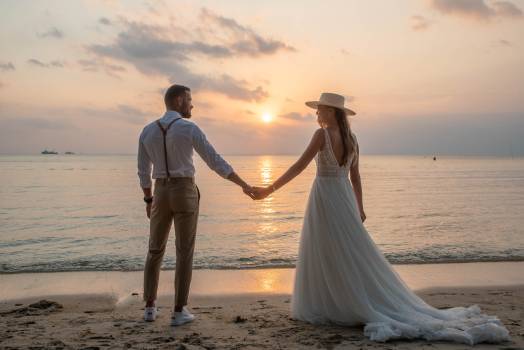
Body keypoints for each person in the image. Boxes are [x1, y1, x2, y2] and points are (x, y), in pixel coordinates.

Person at [249, 92, 510, 345]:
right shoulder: (352, 139)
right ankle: (342, 300)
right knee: (349, 251)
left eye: (320, 108)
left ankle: (337, 303)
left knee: (328, 251)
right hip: (343, 198)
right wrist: (360, 208)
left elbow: (299, 166)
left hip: (325, 197)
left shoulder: (321, 135)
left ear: (330, 111)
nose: (316, 113)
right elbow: (355, 178)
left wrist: (268, 190)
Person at [137, 84, 254, 326]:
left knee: (154, 249)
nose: (192, 105)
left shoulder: (147, 131)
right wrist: (243, 184)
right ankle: (179, 311)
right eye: (189, 100)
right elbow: (214, 161)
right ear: (179, 100)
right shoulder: (188, 128)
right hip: (184, 190)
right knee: (184, 251)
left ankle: (150, 306)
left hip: (160, 191)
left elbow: (142, 171)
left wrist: (149, 199)